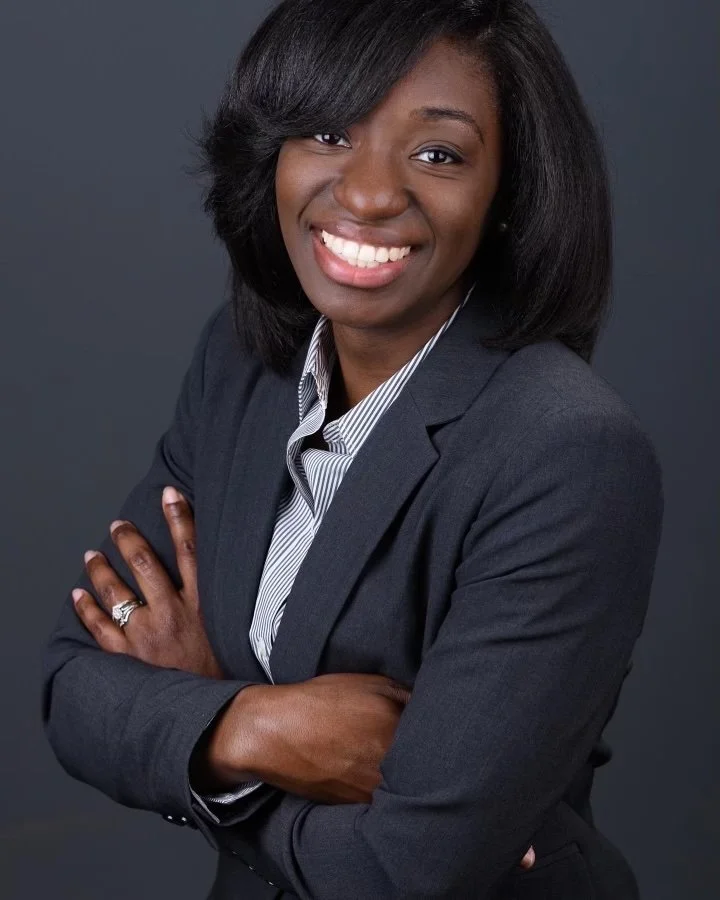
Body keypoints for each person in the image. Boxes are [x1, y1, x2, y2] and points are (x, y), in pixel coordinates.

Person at [41, 0, 664, 897]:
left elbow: (405, 868)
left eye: (438, 153)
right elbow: (72, 690)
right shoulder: (242, 362)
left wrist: (192, 727)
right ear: (273, 154)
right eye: (330, 132)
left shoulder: (567, 453)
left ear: (506, 196)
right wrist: (255, 729)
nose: (369, 193)